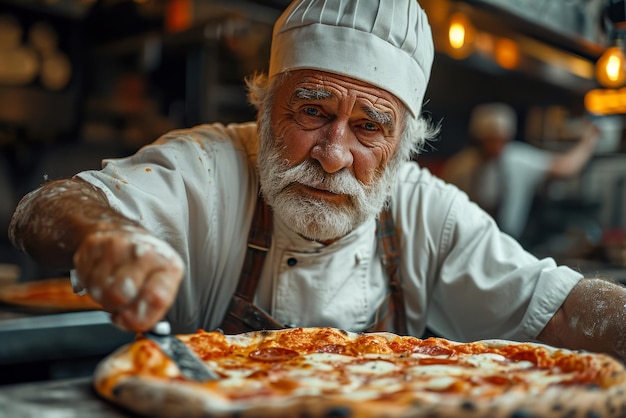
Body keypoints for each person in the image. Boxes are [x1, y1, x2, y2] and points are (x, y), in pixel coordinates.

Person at [7, 0, 626, 362]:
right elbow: (48, 207)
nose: (333, 154)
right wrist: (105, 237)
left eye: (368, 127)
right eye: (312, 111)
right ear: (264, 104)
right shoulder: (211, 168)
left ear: (401, 148)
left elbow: (563, 310)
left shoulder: (424, 211)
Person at [439, 102, 600, 239]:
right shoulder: (461, 164)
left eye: (501, 138)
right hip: (465, 236)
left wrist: (588, 141)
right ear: (479, 138)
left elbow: (565, 167)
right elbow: (443, 201)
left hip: (508, 239)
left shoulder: (516, 159)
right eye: (490, 138)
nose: (496, 144)